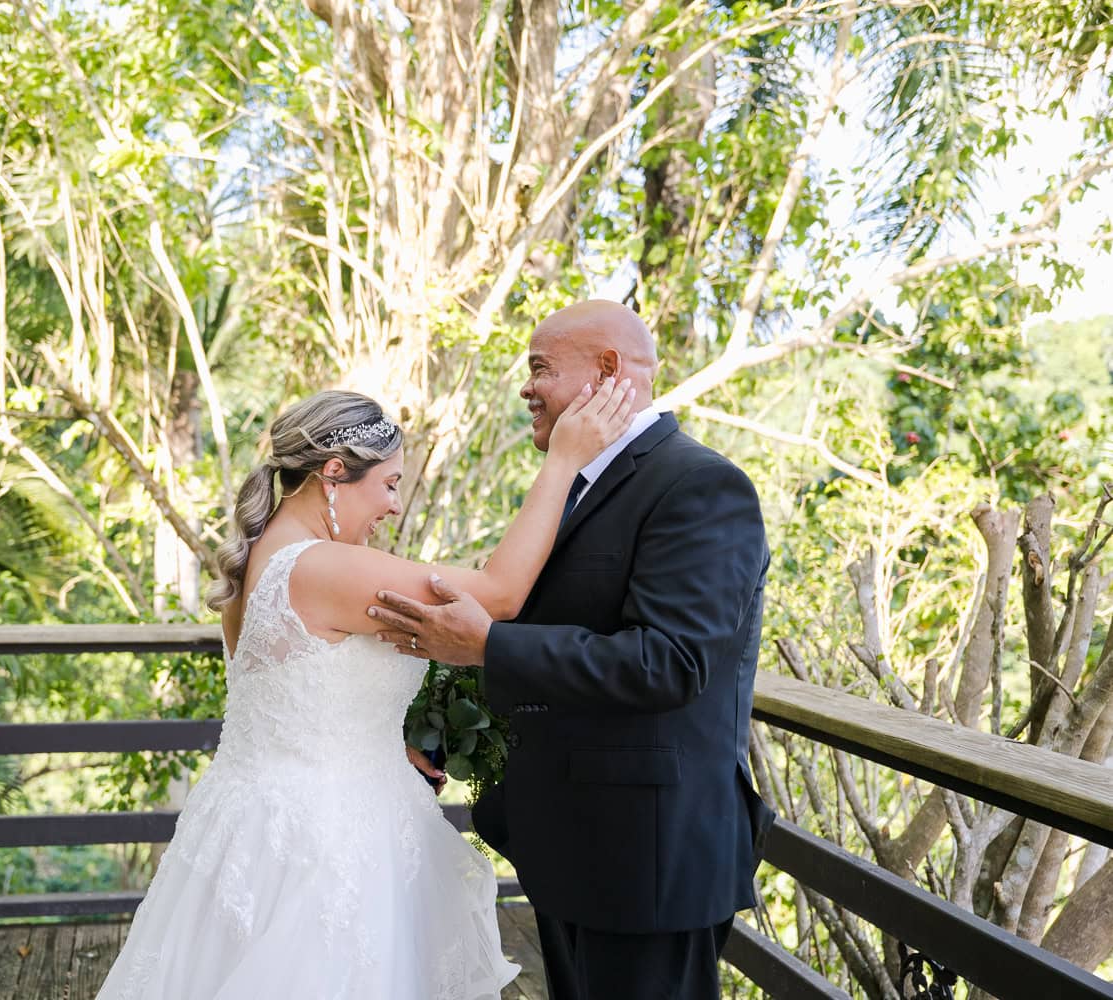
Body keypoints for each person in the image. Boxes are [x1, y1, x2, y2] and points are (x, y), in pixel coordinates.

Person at [96, 377, 636, 999]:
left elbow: (298, 697)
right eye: (388, 484)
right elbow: (500, 596)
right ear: (332, 474)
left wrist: (379, 740)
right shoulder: (322, 566)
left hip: (250, 826)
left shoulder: (261, 559)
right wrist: (564, 460)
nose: (393, 506)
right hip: (326, 844)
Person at [370, 300, 775, 1000]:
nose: (527, 388)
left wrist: (491, 646)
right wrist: (436, 728)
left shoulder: (698, 485)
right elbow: (549, 623)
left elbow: (670, 662)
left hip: (648, 861)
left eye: (540, 370)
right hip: (572, 848)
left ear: (608, 370)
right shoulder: (577, 483)